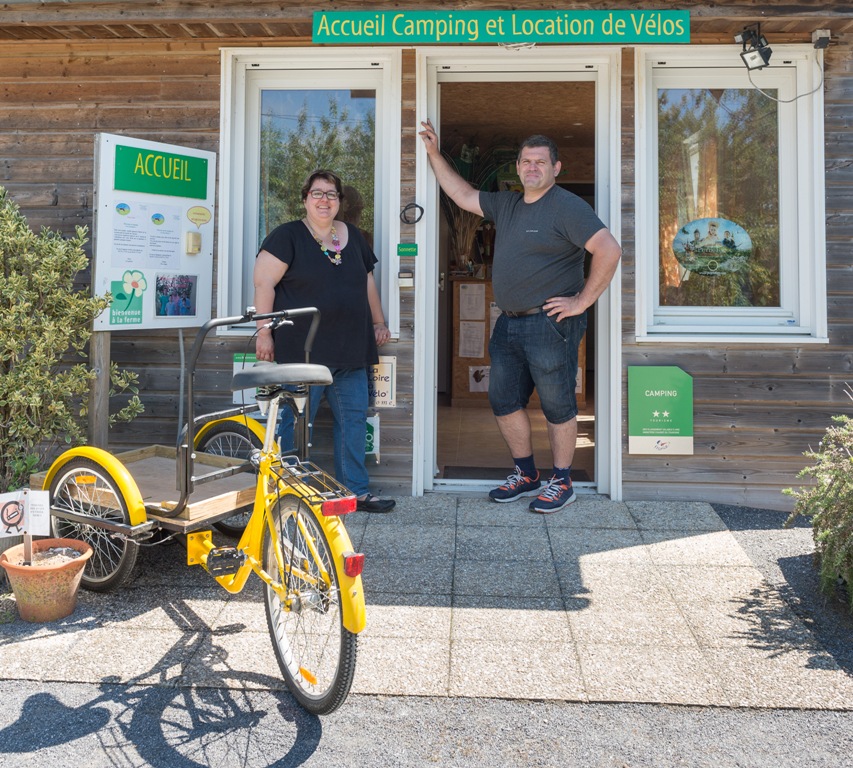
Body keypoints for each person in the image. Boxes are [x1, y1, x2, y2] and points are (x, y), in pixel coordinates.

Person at [420, 119, 622, 513]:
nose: (532, 168)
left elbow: (609, 250)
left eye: (540, 162)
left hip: (550, 323)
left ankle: (562, 481)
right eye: (526, 161)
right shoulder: (507, 204)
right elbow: (461, 193)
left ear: (556, 168)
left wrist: (581, 301)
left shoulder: (567, 206)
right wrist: (432, 153)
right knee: (503, 399)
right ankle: (527, 475)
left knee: (557, 402)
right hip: (509, 320)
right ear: (517, 168)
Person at [253, 169, 395, 513]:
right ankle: (286, 491)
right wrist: (264, 331)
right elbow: (263, 285)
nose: (324, 200)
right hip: (302, 350)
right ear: (305, 199)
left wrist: (378, 321)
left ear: (339, 202)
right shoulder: (287, 236)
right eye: (317, 193)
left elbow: (367, 282)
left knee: (353, 421)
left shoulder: (355, 238)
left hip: (351, 347)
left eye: (331, 194)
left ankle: (355, 492)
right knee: (294, 423)